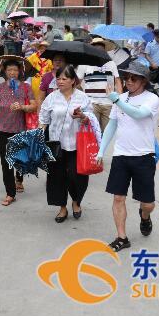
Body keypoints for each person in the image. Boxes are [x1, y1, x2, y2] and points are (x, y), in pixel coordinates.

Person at [96, 61, 159, 251]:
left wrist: (116, 100)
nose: (128, 81)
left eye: (133, 78)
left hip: (143, 156)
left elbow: (139, 114)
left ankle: (145, 216)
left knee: (147, 203)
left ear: (143, 81)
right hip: (121, 155)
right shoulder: (122, 98)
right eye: (126, 78)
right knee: (118, 198)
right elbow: (112, 125)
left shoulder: (152, 99)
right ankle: (122, 237)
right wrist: (101, 150)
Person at [39, 65, 94, 223]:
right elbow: (43, 119)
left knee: (77, 177)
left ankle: (76, 201)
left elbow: (90, 119)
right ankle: (62, 207)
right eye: (58, 78)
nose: (60, 81)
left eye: (64, 78)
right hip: (56, 144)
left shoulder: (82, 97)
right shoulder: (52, 97)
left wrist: (82, 116)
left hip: (78, 144)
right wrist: (39, 134)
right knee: (57, 177)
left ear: (72, 81)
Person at [0, 56, 37, 205]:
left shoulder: (26, 88)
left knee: (20, 159)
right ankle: (10, 193)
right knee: (6, 162)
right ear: (4, 71)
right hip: (3, 130)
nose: (12, 72)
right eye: (9, 70)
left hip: (20, 129)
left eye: (15, 70)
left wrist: (22, 107)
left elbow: (34, 106)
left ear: (19, 72)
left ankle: (19, 178)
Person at [77, 37, 122, 132]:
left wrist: (119, 100)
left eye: (101, 48)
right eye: (96, 48)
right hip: (91, 104)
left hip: (108, 104)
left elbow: (117, 81)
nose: (99, 51)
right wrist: (82, 96)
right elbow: (77, 82)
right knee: (92, 133)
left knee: (107, 134)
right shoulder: (84, 64)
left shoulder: (111, 63)